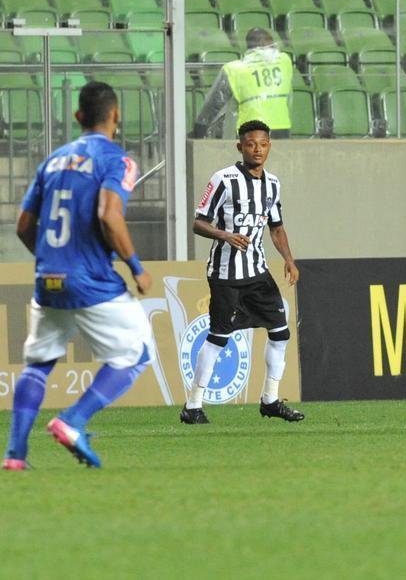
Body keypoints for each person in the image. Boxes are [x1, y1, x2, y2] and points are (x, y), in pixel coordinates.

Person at [3, 82, 153, 471]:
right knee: (137, 354)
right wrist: (137, 267)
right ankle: (73, 421)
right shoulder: (118, 160)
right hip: (92, 281)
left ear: (77, 118)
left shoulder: (51, 162)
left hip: (47, 279)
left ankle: (15, 456)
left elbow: (22, 226)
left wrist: (54, 259)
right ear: (116, 116)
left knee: (39, 364)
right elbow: (108, 214)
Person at [182, 120, 302, 425]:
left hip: (258, 272)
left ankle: (270, 400)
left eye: (263, 144)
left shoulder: (272, 183)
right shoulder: (223, 179)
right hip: (225, 273)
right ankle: (193, 405)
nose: (257, 150)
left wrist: (289, 259)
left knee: (280, 332)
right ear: (240, 147)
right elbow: (198, 222)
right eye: (251, 144)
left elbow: (276, 227)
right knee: (219, 337)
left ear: (269, 146)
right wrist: (226, 235)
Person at [193, 27, 295, 139]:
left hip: (250, 130)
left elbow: (212, 107)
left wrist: (198, 132)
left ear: (248, 46)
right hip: (282, 128)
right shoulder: (285, 61)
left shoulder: (234, 69)